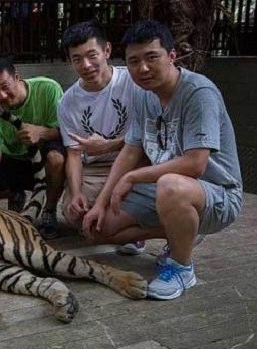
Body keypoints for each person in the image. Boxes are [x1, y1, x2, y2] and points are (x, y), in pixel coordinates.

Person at [82, 20, 243, 300]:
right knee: (99, 228)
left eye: (151, 57)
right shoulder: (146, 96)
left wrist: (131, 178)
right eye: (133, 61)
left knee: (170, 184)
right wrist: (99, 203)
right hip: (167, 192)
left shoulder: (198, 93)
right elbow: (131, 150)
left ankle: (182, 268)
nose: (142, 68)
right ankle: (181, 230)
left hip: (217, 194)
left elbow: (195, 164)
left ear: (171, 55)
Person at [58, 20, 147, 255]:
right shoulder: (67, 101)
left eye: (92, 55)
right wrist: (76, 193)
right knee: (74, 216)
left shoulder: (134, 82)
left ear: (106, 50)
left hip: (136, 162)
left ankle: (156, 229)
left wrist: (110, 144)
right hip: (94, 169)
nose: (86, 65)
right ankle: (122, 219)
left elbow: (149, 137)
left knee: (105, 222)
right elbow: (74, 154)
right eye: (77, 59)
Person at [0, 55, 65, 239]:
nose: (1, 96)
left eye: (5, 87)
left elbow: (65, 131)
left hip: (44, 155)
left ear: (17, 77)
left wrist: (41, 132)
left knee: (56, 158)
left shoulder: (48, 88)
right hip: (16, 161)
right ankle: (15, 194)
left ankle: (49, 210)